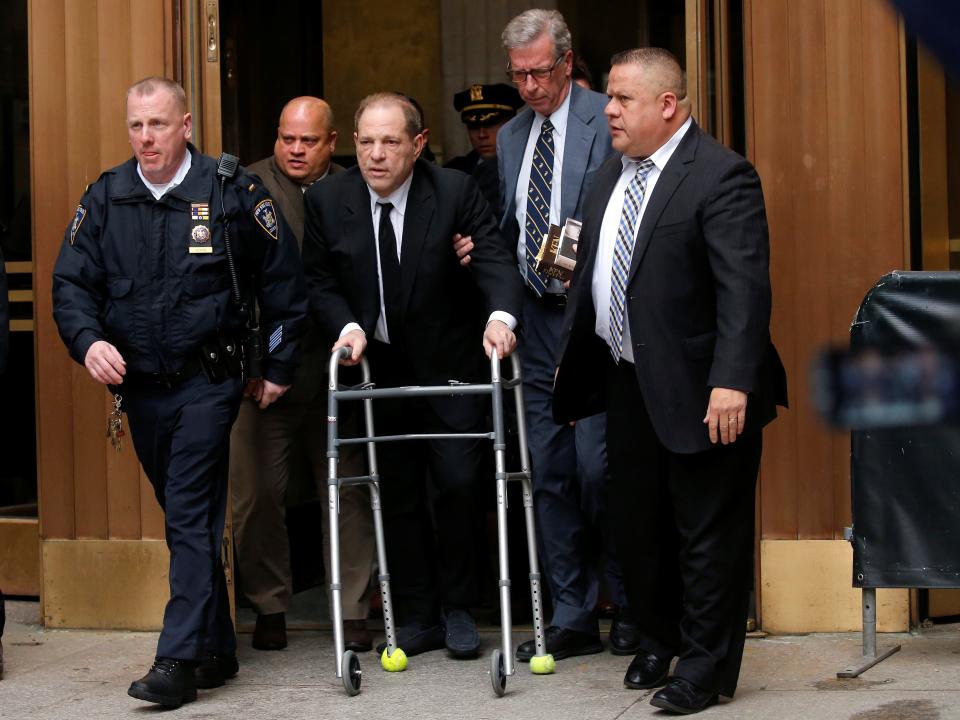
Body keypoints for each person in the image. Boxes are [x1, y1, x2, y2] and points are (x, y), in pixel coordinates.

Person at [52, 77, 307, 708]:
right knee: (183, 517)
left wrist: (276, 365)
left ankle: (178, 660)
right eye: (136, 126)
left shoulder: (229, 191)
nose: (146, 139)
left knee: (191, 513)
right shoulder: (106, 197)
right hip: (141, 389)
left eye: (158, 125)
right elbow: (70, 285)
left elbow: (283, 283)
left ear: (186, 124)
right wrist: (88, 343)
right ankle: (218, 644)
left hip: (209, 381)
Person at [553, 48, 787, 714]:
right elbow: (590, 273)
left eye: (623, 98)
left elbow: (744, 289)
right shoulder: (607, 176)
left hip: (706, 387)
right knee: (639, 524)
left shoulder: (721, 176)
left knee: (706, 533)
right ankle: (659, 638)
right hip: (628, 377)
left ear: (668, 105)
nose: (609, 110)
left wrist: (733, 381)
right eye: (608, 97)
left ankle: (705, 668)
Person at [302, 92, 522, 659]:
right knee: (393, 493)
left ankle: (457, 609)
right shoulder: (329, 199)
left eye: (391, 141)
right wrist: (347, 326)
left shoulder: (451, 191)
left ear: (418, 143)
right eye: (366, 141)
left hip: (449, 367)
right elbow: (318, 281)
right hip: (376, 368)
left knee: (456, 486)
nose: (376, 155)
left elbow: (494, 258)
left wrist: (500, 318)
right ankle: (417, 615)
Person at [471, 8, 633, 662]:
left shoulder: (609, 116)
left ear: (567, 62)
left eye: (541, 72)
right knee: (548, 473)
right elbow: (512, 229)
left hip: (595, 319)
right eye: (520, 75)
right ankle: (570, 612)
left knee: (601, 469)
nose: (532, 86)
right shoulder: (511, 135)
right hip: (536, 320)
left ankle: (626, 600)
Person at [231, 96, 375, 653]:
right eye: (286, 138)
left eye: (308, 140)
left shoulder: (356, 187)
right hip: (266, 375)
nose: (295, 149)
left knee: (349, 493)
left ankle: (353, 608)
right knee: (257, 495)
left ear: (331, 142)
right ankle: (269, 604)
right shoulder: (242, 188)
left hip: (341, 369)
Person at [445, 83, 523, 219]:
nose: (482, 135)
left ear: (511, 124)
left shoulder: (528, 166)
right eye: (474, 126)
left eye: (491, 124)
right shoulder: (454, 170)